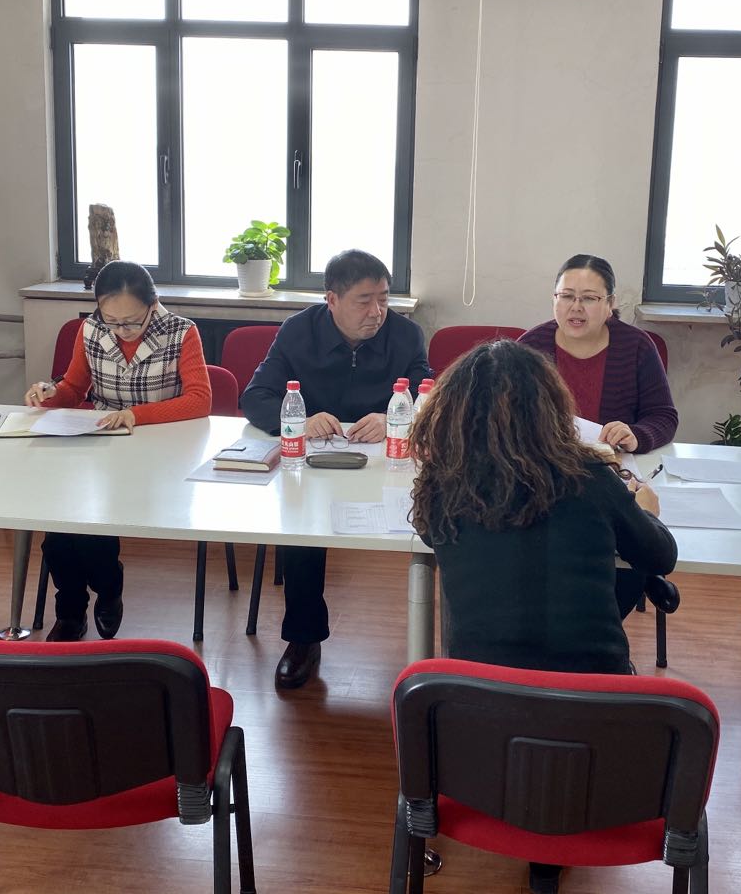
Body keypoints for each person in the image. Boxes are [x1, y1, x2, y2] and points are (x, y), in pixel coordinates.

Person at [409, 339, 678, 894]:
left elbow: (456, 543)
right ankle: (551, 845)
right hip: (598, 733)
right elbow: (660, 555)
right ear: (552, 410)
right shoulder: (592, 479)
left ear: (449, 414)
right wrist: (644, 507)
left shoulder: (440, 487)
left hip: (477, 735)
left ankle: (531, 826)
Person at [242, 249, 431, 689]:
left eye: (383, 299)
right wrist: (300, 420)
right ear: (332, 299)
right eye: (364, 301)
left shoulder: (405, 335)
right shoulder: (298, 331)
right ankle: (303, 638)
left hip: (387, 463)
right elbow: (256, 397)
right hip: (316, 464)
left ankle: (438, 653)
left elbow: (430, 396)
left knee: (426, 524)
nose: (377, 312)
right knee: (302, 527)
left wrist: (393, 416)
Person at [23, 260, 212, 642]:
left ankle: (108, 590)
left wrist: (135, 415)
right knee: (60, 527)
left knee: (93, 522)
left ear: (153, 305)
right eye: (112, 321)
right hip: (101, 448)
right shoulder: (91, 330)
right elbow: (74, 388)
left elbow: (199, 400)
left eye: (132, 322)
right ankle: (71, 611)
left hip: (160, 455)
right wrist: (50, 394)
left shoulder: (181, 332)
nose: (122, 330)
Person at [518, 253, 678, 615]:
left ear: (610, 304)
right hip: (542, 484)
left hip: (611, 483)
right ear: (554, 299)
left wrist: (637, 434)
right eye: (567, 296)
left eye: (589, 298)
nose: (576, 307)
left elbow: (664, 416)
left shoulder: (637, 347)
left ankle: (599, 622)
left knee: (614, 561)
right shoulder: (530, 347)